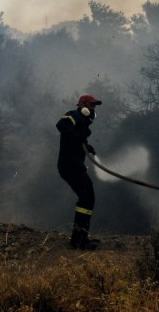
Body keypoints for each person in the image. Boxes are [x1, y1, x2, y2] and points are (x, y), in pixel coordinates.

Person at [56, 94, 102, 250]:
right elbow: (61, 125)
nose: (93, 109)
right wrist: (78, 139)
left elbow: (78, 138)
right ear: (83, 106)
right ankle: (78, 241)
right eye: (91, 105)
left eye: (94, 106)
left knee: (87, 198)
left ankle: (81, 238)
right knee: (87, 198)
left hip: (74, 165)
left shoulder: (83, 123)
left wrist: (86, 146)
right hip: (69, 165)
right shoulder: (74, 115)